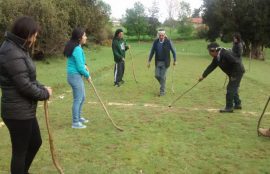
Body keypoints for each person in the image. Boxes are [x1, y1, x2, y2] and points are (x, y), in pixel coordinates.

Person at [0, 16, 52, 174]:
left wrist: (42, 87)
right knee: (20, 151)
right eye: (34, 34)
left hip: (24, 109)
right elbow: (24, 86)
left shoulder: (18, 48)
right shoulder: (11, 52)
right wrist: (44, 93)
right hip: (17, 112)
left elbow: (28, 78)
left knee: (35, 142)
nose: (35, 38)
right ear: (26, 33)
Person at [199, 42, 245, 113]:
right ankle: (237, 104)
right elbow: (211, 67)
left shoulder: (225, 53)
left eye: (209, 51)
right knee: (234, 88)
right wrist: (203, 76)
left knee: (230, 88)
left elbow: (236, 62)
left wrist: (233, 75)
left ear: (213, 50)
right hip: (232, 73)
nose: (209, 53)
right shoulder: (216, 58)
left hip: (237, 72)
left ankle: (229, 107)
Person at [64, 28, 91, 129]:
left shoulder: (77, 47)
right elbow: (79, 67)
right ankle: (75, 122)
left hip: (75, 76)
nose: (86, 37)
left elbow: (80, 62)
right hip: (74, 76)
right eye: (84, 35)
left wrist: (85, 65)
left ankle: (79, 118)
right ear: (79, 38)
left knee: (82, 97)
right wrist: (87, 75)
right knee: (78, 99)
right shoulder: (77, 49)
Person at [148, 29, 176, 96]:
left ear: (164, 35)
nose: (161, 37)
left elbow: (173, 51)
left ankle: (162, 92)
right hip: (158, 62)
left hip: (165, 62)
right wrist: (149, 61)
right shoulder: (155, 42)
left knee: (162, 77)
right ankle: (163, 84)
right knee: (157, 75)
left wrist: (175, 60)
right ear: (158, 35)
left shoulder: (168, 42)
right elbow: (152, 52)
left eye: (162, 35)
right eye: (160, 35)